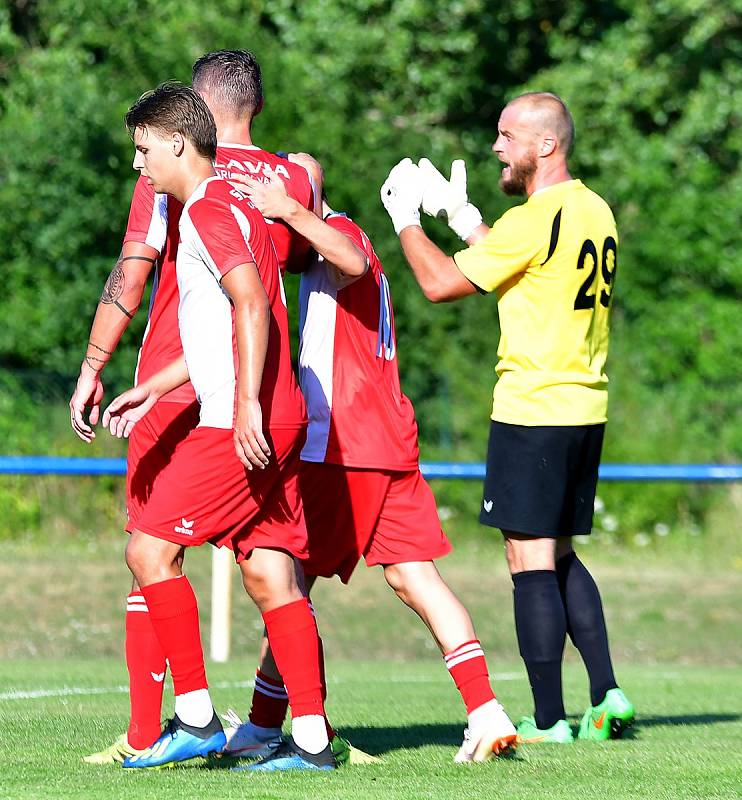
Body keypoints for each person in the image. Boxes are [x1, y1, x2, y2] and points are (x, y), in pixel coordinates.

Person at [222, 153, 518, 763]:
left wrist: (289, 211)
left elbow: (351, 258)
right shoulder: (327, 243)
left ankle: (271, 725)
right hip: (387, 439)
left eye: (280, 187)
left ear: (302, 192)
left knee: (286, 582)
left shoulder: (343, 235)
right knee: (416, 578)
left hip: (342, 444)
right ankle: (486, 712)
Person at [70, 49, 317, 765]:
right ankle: (310, 736)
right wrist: (158, 383)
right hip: (273, 400)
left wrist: (240, 405)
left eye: (144, 149)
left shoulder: (196, 203)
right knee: (271, 568)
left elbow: (239, 302)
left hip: (230, 409)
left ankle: (184, 722)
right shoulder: (275, 187)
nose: (139, 165)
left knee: (150, 545)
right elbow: (272, 293)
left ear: (183, 133)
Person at [379, 92, 635, 744]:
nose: (497, 147)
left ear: (545, 145)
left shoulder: (534, 216)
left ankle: (549, 720)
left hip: (533, 409)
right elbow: (524, 262)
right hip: (584, 405)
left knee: (528, 560)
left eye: (507, 136)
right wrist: (463, 216)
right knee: (561, 553)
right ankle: (607, 696)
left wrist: (407, 220)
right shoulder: (592, 209)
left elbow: (439, 285)